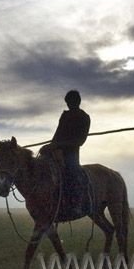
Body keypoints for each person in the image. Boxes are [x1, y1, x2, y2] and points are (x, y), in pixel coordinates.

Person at [40, 89, 91, 219]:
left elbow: (80, 141)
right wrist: (49, 147)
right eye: (67, 103)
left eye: (71, 102)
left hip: (71, 153)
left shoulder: (84, 117)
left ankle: (77, 204)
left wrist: (58, 145)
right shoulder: (65, 116)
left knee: (73, 173)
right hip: (56, 151)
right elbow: (57, 134)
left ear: (77, 102)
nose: (69, 105)